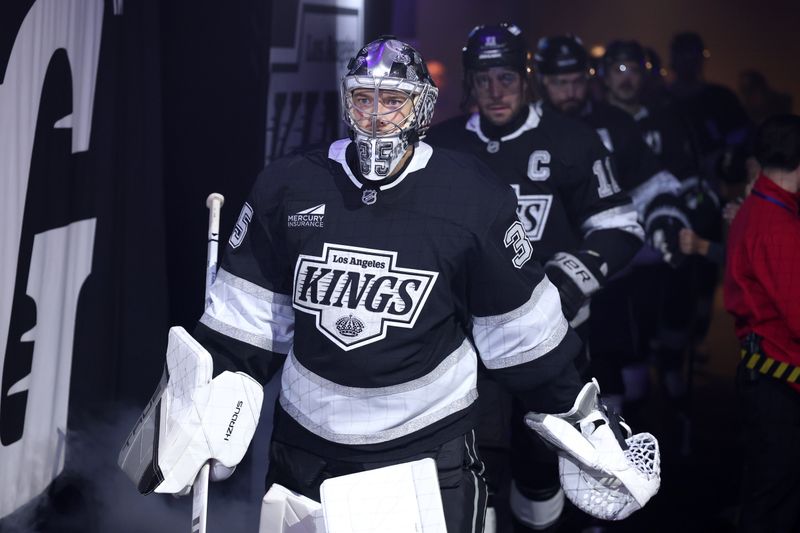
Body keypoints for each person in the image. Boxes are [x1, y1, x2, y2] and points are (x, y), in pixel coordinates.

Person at [118, 36, 661, 533]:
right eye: (364, 99)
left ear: (420, 106)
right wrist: (198, 400)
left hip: (427, 450)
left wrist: (580, 417)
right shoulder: (289, 184)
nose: (377, 117)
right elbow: (247, 323)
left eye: (393, 100)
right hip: (305, 448)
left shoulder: (471, 194)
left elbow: (522, 336)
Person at [425, 23, 644, 531]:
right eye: (484, 80)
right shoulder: (442, 145)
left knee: (542, 463)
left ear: (527, 79)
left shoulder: (572, 139)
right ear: (469, 84)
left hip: (553, 337)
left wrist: (566, 283)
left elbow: (620, 225)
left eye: (506, 77)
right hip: (463, 341)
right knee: (471, 462)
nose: (496, 91)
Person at [534, 34, 690, 429]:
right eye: (558, 81)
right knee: (552, 382)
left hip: (611, 269)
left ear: (589, 77)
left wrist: (665, 217)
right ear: (541, 81)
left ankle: (624, 451)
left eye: (576, 80)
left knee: (618, 361)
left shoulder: (613, 123)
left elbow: (653, 182)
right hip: (538, 276)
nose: (569, 91)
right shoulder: (524, 127)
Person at [724, 114, 800, 533]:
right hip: (780, 384)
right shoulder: (778, 226)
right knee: (775, 502)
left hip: (766, 375)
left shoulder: (761, 210)